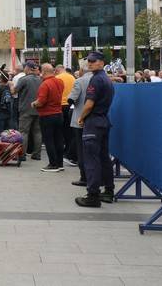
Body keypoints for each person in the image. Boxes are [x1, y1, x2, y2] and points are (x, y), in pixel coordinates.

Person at [75, 51, 116, 207]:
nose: (90, 63)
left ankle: (93, 195)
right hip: (103, 121)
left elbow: (89, 104)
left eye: (93, 61)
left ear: (101, 62)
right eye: (89, 61)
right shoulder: (106, 79)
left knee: (91, 160)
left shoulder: (96, 80)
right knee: (104, 158)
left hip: (93, 122)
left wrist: (82, 117)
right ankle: (108, 191)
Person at [31, 63, 65, 172]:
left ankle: (53, 164)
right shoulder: (59, 82)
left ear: (44, 72)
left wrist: (34, 104)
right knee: (59, 139)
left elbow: (41, 102)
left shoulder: (45, 84)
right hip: (59, 114)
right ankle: (60, 163)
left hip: (47, 115)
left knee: (49, 140)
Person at [67, 62, 93, 188]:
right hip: (96, 120)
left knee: (81, 150)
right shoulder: (99, 80)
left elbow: (71, 99)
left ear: (82, 70)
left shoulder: (80, 81)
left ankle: (84, 177)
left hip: (80, 120)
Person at [12, 62, 41, 161]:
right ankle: (37, 154)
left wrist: (10, 84)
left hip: (25, 109)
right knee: (37, 132)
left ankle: (22, 154)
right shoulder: (40, 79)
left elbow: (14, 91)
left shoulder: (23, 79)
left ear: (27, 68)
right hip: (38, 109)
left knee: (24, 132)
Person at [55, 65, 77, 166]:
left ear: (57, 70)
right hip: (70, 105)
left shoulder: (57, 78)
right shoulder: (72, 77)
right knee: (69, 130)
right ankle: (68, 149)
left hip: (60, 105)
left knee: (59, 130)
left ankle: (62, 150)